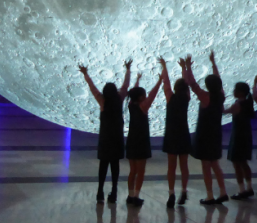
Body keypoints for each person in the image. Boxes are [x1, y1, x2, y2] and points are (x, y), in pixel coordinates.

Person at [79, 59, 132, 204]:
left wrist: (86, 74)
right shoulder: (119, 99)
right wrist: (128, 69)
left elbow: (92, 88)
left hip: (105, 139)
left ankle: (100, 191)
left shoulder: (102, 101)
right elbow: (126, 85)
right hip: (117, 139)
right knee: (115, 166)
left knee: (103, 166)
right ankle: (114, 191)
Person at [182, 51, 229, 205]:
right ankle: (223, 192)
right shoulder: (221, 95)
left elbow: (191, 83)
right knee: (215, 164)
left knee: (206, 166)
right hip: (216, 133)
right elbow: (218, 80)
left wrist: (188, 66)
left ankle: (210, 195)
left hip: (204, 134)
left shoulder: (205, 96)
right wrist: (213, 63)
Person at [125, 70, 163, 207]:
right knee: (141, 171)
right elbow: (153, 95)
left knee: (133, 170)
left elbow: (133, 93)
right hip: (141, 141)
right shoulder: (143, 106)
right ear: (141, 97)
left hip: (131, 140)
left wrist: (137, 80)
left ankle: (130, 195)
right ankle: (136, 196)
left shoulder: (131, 105)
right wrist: (160, 81)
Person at [159, 56, 191, 208]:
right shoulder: (186, 98)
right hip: (183, 133)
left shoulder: (170, 97)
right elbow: (186, 83)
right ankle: (184, 191)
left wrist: (164, 66)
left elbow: (166, 82)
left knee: (171, 166)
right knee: (184, 165)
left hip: (171, 134)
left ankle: (171, 193)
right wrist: (184, 68)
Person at [224, 81, 255, 200]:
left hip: (238, 136)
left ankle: (242, 189)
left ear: (240, 92)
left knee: (236, 163)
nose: (233, 92)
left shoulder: (237, 105)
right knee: (243, 162)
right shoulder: (247, 103)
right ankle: (249, 187)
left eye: (235, 89)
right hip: (246, 135)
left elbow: (225, 112)